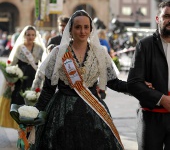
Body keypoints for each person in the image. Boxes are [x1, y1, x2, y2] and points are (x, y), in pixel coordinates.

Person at [29, 10, 129, 150]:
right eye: (78, 27)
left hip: (92, 112)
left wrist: (137, 86)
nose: (82, 31)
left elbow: (113, 82)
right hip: (62, 113)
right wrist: (34, 113)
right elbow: (48, 89)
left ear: (91, 29)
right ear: (70, 30)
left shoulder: (100, 53)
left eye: (86, 27)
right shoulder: (59, 53)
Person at [127, 0, 170, 150]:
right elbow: (133, 83)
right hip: (151, 118)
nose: (169, 20)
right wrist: (161, 99)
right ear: (158, 19)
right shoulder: (144, 45)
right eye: (166, 16)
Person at [0, 25, 45, 129]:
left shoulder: (39, 49)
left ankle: (30, 128)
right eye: (28, 34)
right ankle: (21, 129)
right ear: (24, 35)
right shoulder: (20, 48)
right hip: (20, 81)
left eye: (33, 35)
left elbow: (43, 64)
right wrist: (10, 77)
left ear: (36, 36)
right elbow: (12, 64)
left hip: (34, 80)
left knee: (32, 102)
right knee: (19, 102)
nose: (30, 37)